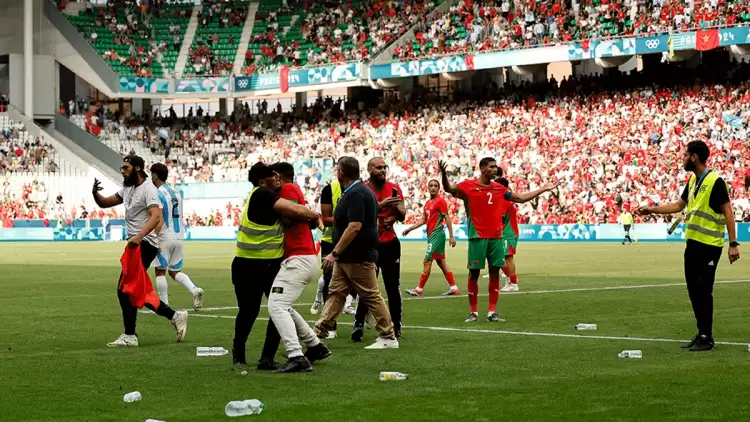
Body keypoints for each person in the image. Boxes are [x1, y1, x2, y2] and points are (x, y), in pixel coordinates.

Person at [636, 140, 740, 351]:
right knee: (694, 291)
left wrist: (733, 243)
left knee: (704, 291)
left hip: (710, 245)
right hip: (692, 245)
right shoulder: (693, 181)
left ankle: (706, 337)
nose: (683, 159)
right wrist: (651, 210)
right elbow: (679, 205)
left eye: (685, 155)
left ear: (694, 157)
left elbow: (728, 211)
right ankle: (701, 333)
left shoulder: (715, 181)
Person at [439, 158, 559, 322]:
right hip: (477, 237)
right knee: (473, 273)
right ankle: (473, 312)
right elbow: (448, 188)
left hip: (496, 238)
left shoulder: (500, 188)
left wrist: (543, 189)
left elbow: (521, 198)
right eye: (491, 167)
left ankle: (492, 312)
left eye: (496, 167)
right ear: (482, 168)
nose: (495, 169)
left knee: (495, 273)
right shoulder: (468, 186)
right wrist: (444, 175)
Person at [232, 162, 320, 372]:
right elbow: (295, 210)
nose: (277, 177)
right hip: (249, 265)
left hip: (268, 264)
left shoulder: (268, 195)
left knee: (274, 309)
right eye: (273, 175)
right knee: (251, 311)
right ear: (262, 182)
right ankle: (242, 354)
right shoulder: (261, 194)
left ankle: (264, 358)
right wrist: (314, 215)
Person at [92, 155, 188, 347]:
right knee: (134, 291)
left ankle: (130, 335)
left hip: (144, 243)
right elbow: (105, 203)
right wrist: (95, 193)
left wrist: (139, 236)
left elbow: (156, 216)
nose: (122, 170)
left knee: (124, 289)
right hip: (136, 244)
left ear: (137, 168)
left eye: (125, 167)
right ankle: (175, 316)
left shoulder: (149, 189)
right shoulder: (128, 188)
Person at [314, 156, 399, 350]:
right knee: (336, 294)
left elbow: (354, 226)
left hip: (357, 255)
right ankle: (318, 334)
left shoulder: (356, 193)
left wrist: (334, 253)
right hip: (349, 257)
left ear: (341, 172)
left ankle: (388, 336)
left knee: (370, 295)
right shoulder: (359, 191)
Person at [267, 162, 331, 373]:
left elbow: (289, 217)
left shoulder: (287, 189)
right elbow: (308, 218)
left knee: (276, 305)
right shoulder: (293, 190)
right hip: (301, 256)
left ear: (278, 176)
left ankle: (296, 355)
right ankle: (315, 345)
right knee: (283, 305)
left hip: (298, 258)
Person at [352, 157, 406, 341]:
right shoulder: (363, 189)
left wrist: (395, 214)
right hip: (368, 243)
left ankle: (396, 325)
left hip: (390, 243)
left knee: (392, 286)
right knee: (367, 286)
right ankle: (358, 322)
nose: (382, 170)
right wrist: (382, 205)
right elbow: (362, 214)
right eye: (378, 167)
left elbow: (403, 214)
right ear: (369, 169)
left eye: (385, 167)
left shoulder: (394, 188)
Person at [149, 163, 204, 310]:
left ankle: (164, 305)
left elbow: (159, 218)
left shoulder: (157, 194)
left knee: (160, 271)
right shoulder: (177, 193)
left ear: (155, 176)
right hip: (179, 235)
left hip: (165, 236)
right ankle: (194, 289)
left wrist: (154, 237)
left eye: (151, 174)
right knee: (174, 272)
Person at [310, 181, 357, 324]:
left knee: (358, 278)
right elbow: (320, 217)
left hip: (352, 240)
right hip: (329, 240)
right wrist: (323, 227)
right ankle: (330, 324)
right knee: (328, 279)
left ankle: (359, 316)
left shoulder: (358, 188)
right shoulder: (330, 189)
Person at [403, 179, 459, 296]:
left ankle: (419, 289)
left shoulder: (440, 202)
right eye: (431, 186)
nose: (433, 188)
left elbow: (447, 218)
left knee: (427, 260)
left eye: (435, 186)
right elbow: (423, 220)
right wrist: (409, 229)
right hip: (431, 235)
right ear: (427, 188)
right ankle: (454, 288)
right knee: (441, 262)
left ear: (438, 188)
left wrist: (451, 237)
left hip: (437, 234)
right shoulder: (428, 203)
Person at [495, 177, 521, 292]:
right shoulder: (507, 199)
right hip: (507, 232)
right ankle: (511, 281)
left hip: (508, 233)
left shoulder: (504, 201)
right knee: (501, 258)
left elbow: (499, 218)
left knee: (507, 258)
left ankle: (514, 283)